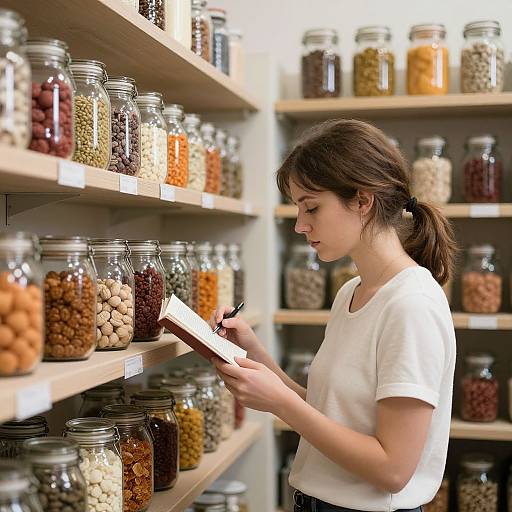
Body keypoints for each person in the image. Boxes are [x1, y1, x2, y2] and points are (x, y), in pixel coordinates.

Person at [210, 119, 457, 512]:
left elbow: (393, 468)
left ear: (362, 200)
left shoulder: (411, 305)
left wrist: (280, 405)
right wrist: (254, 354)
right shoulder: (350, 293)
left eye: (311, 207)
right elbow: (334, 413)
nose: (299, 225)